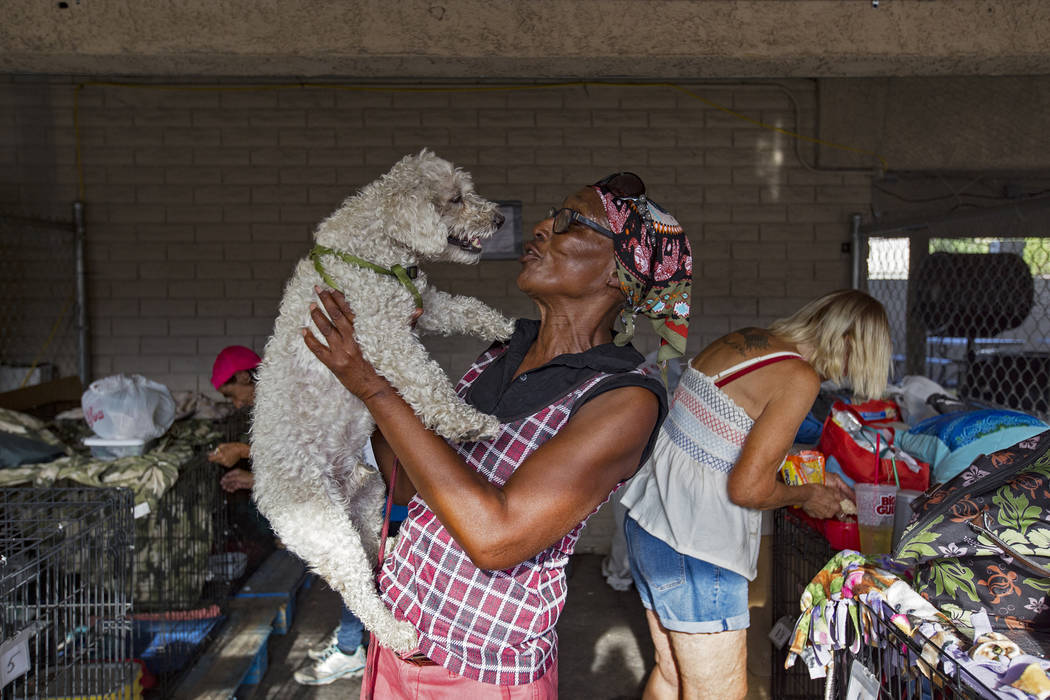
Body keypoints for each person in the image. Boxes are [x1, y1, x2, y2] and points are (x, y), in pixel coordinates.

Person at [301, 172, 691, 698]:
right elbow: (411, 485)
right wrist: (391, 357)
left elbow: (496, 538)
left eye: (569, 223)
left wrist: (375, 389)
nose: (540, 228)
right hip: (397, 638)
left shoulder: (624, 398)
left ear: (621, 272)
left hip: (479, 671)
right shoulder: (500, 353)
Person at [619, 289, 892, 700]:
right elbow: (748, 488)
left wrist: (801, 474)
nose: (847, 375)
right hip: (697, 547)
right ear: (849, 343)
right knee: (720, 692)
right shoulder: (799, 377)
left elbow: (718, 440)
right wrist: (807, 495)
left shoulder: (747, 340)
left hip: (649, 523)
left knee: (673, 675)